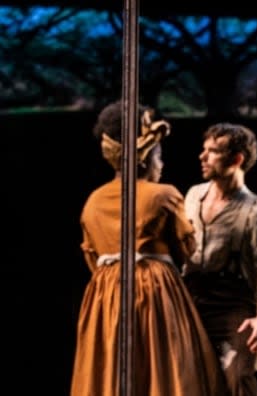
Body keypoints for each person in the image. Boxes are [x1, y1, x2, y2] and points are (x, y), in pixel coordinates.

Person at [71, 101, 226, 396]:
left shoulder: (93, 201)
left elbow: (92, 257)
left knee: (111, 367)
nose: (162, 163)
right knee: (164, 367)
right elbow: (186, 248)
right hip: (155, 292)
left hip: (105, 295)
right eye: (159, 154)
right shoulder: (163, 195)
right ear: (145, 157)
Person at [182, 122, 257, 396]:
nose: (202, 157)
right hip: (190, 304)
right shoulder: (193, 197)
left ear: (237, 159)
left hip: (232, 310)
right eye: (204, 150)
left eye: (213, 151)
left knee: (237, 378)